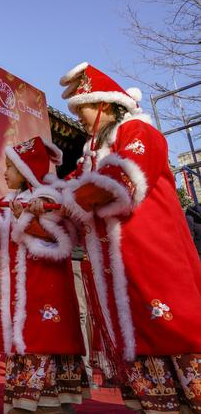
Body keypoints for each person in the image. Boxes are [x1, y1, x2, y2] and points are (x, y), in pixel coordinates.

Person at [59, 62, 201, 413]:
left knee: (178, 335)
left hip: (153, 259)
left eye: (83, 109)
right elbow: (69, 191)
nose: (79, 118)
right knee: (139, 350)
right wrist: (47, 203)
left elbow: (118, 182)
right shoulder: (92, 157)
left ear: (104, 105)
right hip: (120, 271)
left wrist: (66, 200)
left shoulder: (139, 131)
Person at [0, 136, 88, 414]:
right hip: (19, 295)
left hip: (46, 287)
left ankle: (51, 403)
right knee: (27, 339)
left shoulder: (50, 198)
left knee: (44, 337)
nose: (4, 172)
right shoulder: (8, 202)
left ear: (26, 168)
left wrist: (27, 221)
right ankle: (26, 401)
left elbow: (62, 242)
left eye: (10, 166)